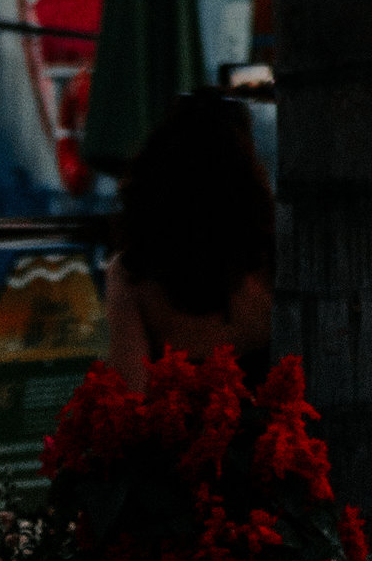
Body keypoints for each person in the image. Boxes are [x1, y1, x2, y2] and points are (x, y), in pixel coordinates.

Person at [102, 87, 276, 384]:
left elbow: (130, 395)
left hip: (179, 429)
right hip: (276, 428)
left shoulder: (132, 276)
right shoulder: (272, 260)